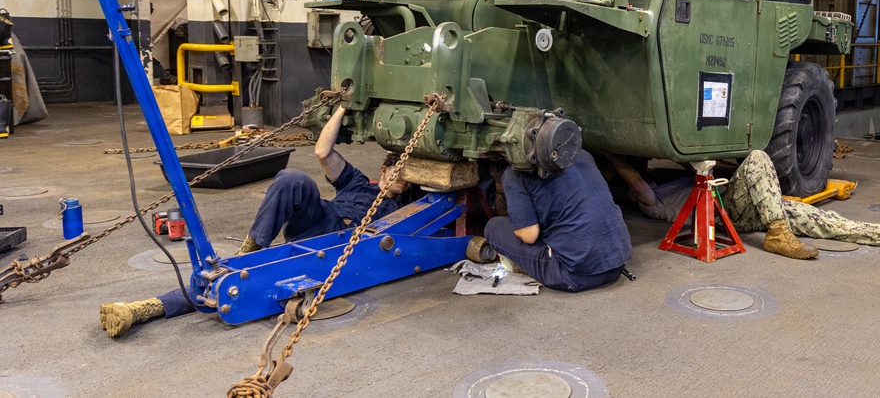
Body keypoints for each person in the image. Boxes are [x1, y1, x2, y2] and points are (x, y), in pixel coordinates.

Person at [99, 105, 408, 338]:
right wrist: (343, 106)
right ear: (383, 170)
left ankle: (144, 308)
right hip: (321, 221)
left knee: (235, 280)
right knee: (292, 178)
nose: (405, 182)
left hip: (347, 241)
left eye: (409, 178)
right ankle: (253, 247)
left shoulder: (407, 204)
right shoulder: (357, 183)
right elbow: (322, 151)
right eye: (400, 174)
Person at [605, 150, 880, 259]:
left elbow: (688, 168)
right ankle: (777, 233)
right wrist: (610, 152)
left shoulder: (668, 183)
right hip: (724, 215)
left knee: (819, 219)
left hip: (743, 208)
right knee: (757, 159)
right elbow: (635, 184)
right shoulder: (654, 202)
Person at [484, 149, 633, 292]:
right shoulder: (581, 154)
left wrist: (502, 187)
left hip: (575, 275)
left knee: (494, 226)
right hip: (617, 264)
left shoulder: (515, 174)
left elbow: (529, 237)